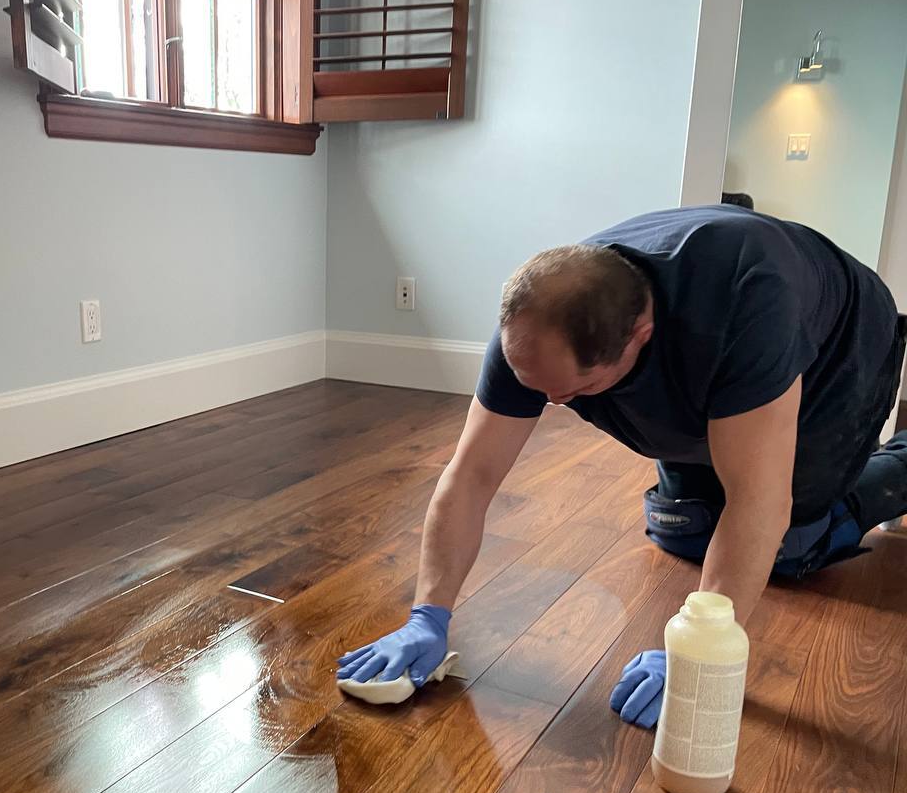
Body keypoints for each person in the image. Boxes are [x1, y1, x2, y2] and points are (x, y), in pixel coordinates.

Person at [337, 204, 907, 728]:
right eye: (541, 390)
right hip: (707, 358)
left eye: (578, 391)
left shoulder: (746, 309)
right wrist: (427, 615)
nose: (553, 404)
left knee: (790, 544)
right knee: (681, 529)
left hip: (844, 344)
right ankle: (724, 444)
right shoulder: (540, 327)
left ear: (641, 336)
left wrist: (697, 653)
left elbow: (760, 501)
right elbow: (471, 476)